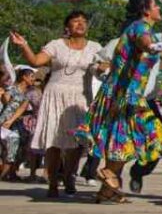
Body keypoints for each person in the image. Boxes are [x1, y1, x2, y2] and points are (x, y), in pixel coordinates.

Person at [74, 0, 162, 203]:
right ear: (146, 10)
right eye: (156, 5)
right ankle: (106, 174)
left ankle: (107, 191)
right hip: (125, 95)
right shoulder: (141, 27)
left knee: (120, 142)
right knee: (157, 137)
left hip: (127, 94)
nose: (159, 10)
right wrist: (152, 47)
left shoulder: (145, 31)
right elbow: (145, 43)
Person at [10, 11, 102, 197]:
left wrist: (104, 66)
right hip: (54, 95)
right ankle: (52, 182)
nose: (80, 24)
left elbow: (99, 70)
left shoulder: (95, 47)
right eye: (75, 21)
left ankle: (69, 176)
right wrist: (24, 45)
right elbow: (35, 60)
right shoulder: (56, 44)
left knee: (78, 142)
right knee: (53, 142)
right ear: (67, 27)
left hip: (80, 98)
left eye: (83, 21)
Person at [0, 66, 36, 180]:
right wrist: (4, 95)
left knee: (13, 149)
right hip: (2, 119)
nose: (33, 79)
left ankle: (7, 174)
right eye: (31, 77)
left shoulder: (27, 94)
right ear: (24, 77)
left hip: (13, 124)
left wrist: (10, 121)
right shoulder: (13, 89)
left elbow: (22, 109)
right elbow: (5, 101)